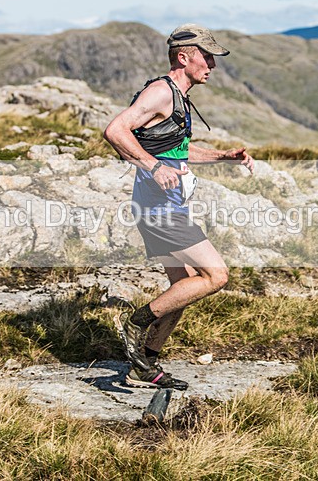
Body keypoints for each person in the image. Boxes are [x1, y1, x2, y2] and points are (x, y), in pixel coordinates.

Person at [103, 23, 254, 390]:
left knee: (184, 286)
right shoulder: (160, 92)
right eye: (207, 57)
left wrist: (224, 156)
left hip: (166, 205)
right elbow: (115, 130)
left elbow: (177, 150)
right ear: (183, 57)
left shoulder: (179, 97)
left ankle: (146, 361)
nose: (212, 66)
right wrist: (152, 167)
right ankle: (136, 324)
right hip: (158, 209)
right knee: (216, 276)